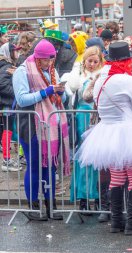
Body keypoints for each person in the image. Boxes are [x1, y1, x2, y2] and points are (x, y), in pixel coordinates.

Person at [75, 41, 132, 235]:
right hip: (128, 130)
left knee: (117, 176)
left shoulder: (100, 79)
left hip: (107, 131)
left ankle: (117, 221)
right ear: (126, 60)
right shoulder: (126, 80)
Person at [12, 39, 70, 221]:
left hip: (51, 123)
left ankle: (51, 206)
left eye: (51, 59)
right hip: (30, 123)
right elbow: (22, 99)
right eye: (45, 60)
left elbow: (64, 97)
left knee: (51, 166)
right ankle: (34, 207)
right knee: (35, 164)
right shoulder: (22, 71)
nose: (49, 63)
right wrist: (46, 92)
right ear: (37, 57)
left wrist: (60, 92)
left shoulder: (51, 71)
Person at [66, 46, 104, 214]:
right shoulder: (78, 75)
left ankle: (97, 197)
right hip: (82, 116)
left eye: (96, 61)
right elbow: (73, 90)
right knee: (83, 157)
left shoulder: (102, 75)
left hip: (97, 116)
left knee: (97, 158)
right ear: (85, 61)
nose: (93, 64)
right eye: (90, 61)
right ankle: (82, 197)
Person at [0, 42, 22, 172]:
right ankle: (6, 160)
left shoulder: (8, 65)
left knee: (9, 130)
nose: (17, 53)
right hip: (8, 104)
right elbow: (2, 84)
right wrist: (16, 93)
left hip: (8, 103)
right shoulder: (6, 66)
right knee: (8, 130)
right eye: (15, 51)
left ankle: (7, 159)